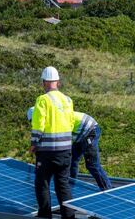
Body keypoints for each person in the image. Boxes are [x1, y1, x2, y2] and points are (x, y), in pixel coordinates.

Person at [29, 67, 75, 219]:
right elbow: (71, 122)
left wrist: (34, 143)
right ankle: (69, 216)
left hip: (48, 152)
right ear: (58, 82)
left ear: (44, 83)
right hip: (66, 150)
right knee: (63, 184)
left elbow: (38, 124)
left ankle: (44, 215)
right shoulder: (68, 100)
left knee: (42, 183)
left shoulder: (43, 100)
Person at [27, 110, 112, 191]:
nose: (33, 124)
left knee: (92, 164)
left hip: (90, 130)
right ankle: (71, 185)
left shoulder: (54, 121)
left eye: (33, 121)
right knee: (72, 161)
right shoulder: (49, 120)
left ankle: (107, 189)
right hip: (80, 135)